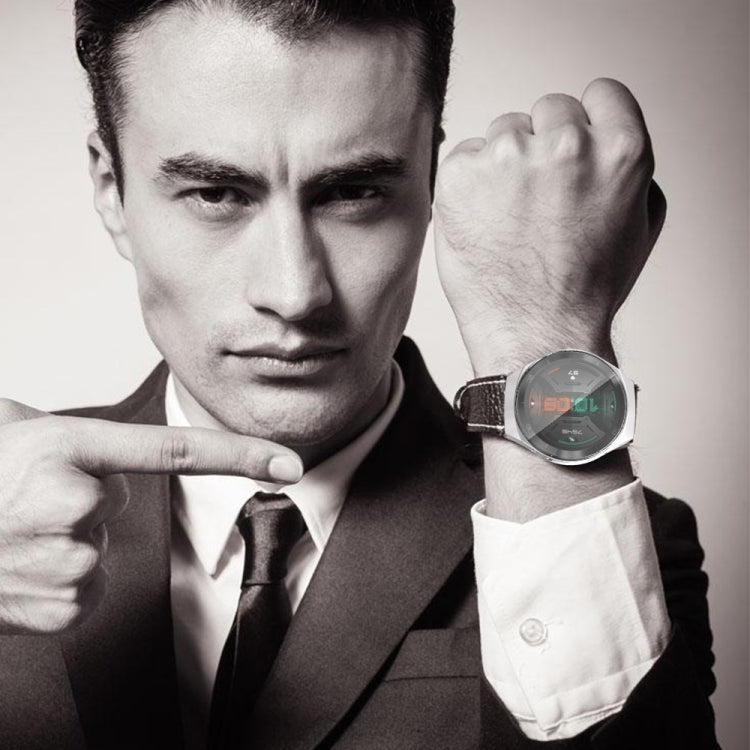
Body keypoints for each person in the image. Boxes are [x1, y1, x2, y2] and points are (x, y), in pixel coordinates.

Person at [0, 1, 718, 748]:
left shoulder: (604, 537)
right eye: (217, 194)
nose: (294, 292)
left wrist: (543, 337)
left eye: (352, 192)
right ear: (111, 189)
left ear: (432, 181)